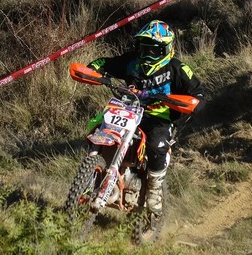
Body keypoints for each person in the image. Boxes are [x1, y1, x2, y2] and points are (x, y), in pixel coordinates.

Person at [87, 20, 206, 216]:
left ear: (167, 49)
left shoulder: (177, 69)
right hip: (127, 111)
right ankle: (91, 174)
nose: (147, 54)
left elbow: (199, 96)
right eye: (144, 48)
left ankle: (154, 190)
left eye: (154, 50)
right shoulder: (131, 61)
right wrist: (93, 70)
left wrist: (187, 103)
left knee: (156, 145)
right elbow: (105, 63)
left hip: (158, 119)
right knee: (98, 126)